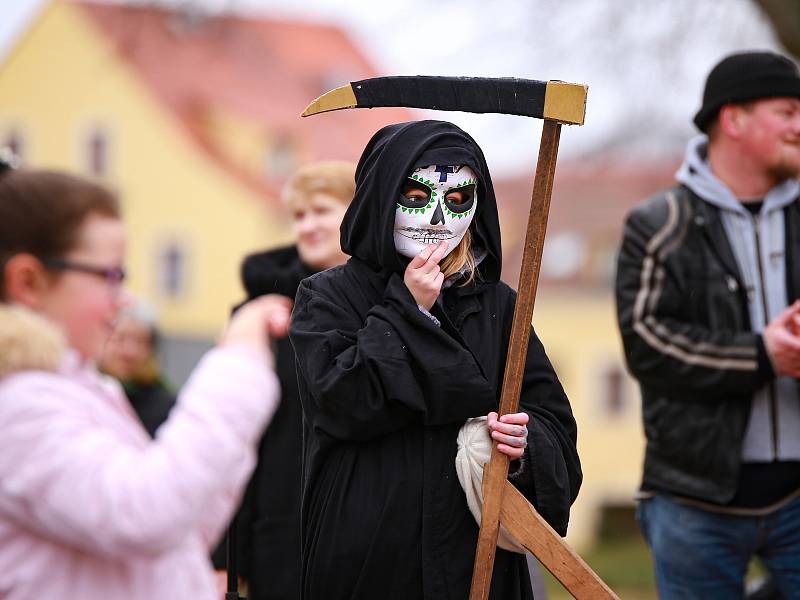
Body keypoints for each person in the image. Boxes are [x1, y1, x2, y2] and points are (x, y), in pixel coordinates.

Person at [289, 120, 582, 600]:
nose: (437, 217)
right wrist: (408, 311)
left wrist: (525, 441)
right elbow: (341, 401)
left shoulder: (499, 305)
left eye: (459, 199)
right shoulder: (327, 297)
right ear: (383, 196)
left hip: (474, 562)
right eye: (417, 194)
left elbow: (553, 421)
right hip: (369, 558)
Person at [0, 164, 291, 599]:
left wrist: (234, 442)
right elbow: (144, 513)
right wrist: (237, 363)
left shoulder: (73, 389)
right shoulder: (19, 405)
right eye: (111, 276)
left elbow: (180, 529)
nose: (125, 300)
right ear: (29, 281)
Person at [615, 50, 800, 599]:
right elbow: (647, 341)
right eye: (787, 112)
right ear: (734, 119)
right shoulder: (657, 223)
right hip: (692, 501)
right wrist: (761, 355)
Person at [211, 160, 355, 600]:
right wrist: (221, 558)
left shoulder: (394, 305)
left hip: (361, 532)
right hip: (280, 532)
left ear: (359, 212)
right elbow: (233, 437)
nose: (307, 225)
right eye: (298, 214)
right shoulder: (261, 313)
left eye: (321, 210)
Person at [100, 297, 176, 438]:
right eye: (120, 338)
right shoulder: (84, 393)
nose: (130, 351)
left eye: (140, 342)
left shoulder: (168, 408)